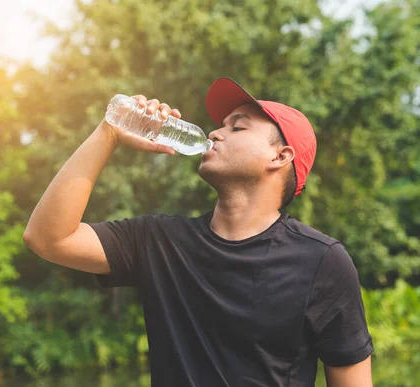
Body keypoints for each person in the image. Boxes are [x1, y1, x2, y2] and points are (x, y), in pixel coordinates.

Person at [23, 78, 374, 387]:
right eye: (221, 125)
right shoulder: (159, 241)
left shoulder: (321, 261)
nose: (215, 133)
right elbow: (48, 238)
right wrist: (109, 132)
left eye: (238, 128)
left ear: (280, 157)